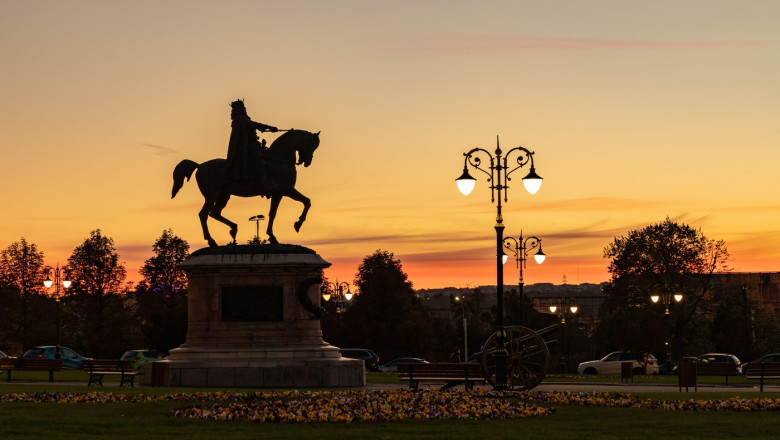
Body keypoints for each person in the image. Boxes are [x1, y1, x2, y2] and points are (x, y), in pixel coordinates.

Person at [225, 99, 279, 181]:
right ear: (239, 109)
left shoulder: (242, 119)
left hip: (253, 144)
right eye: (243, 108)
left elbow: (253, 125)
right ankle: (265, 184)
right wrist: (270, 127)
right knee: (261, 162)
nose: (245, 109)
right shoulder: (241, 119)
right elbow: (255, 124)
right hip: (249, 146)